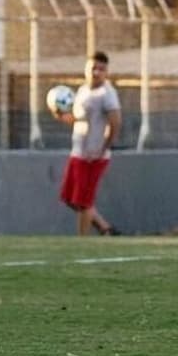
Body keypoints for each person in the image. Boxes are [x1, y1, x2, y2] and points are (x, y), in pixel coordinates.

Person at [52, 51, 122, 236]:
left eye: (102, 69)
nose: (97, 72)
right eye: (93, 68)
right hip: (78, 153)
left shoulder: (107, 94)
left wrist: (103, 149)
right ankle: (105, 228)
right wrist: (63, 116)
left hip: (94, 156)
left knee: (84, 201)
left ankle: (83, 241)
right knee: (69, 198)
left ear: (106, 72)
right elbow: (79, 119)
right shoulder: (83, 91)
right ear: (86, 69)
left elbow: (115, 122)